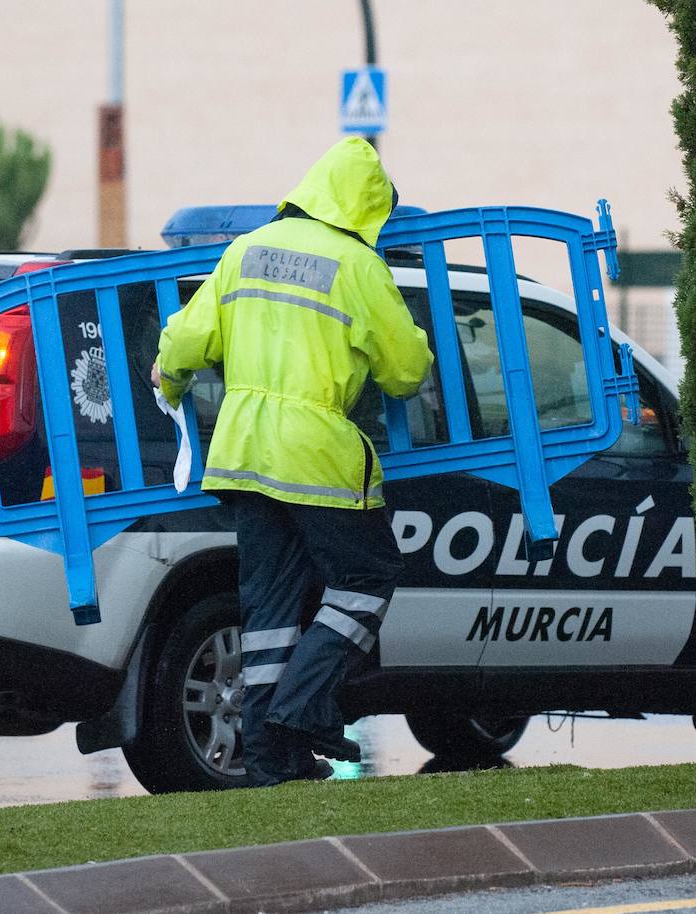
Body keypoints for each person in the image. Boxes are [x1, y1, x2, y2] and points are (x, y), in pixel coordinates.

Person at [153, 136, 434, 786]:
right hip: (316, 456)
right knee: (368, 578)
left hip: (245, 452)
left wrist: (167, 382)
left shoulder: (246, 248)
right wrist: (410, 332)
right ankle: (304, 702)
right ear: (364, 205)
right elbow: (406, 371)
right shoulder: (358, 265)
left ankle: (269, 759)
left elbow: (186, 340)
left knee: (269, 610)